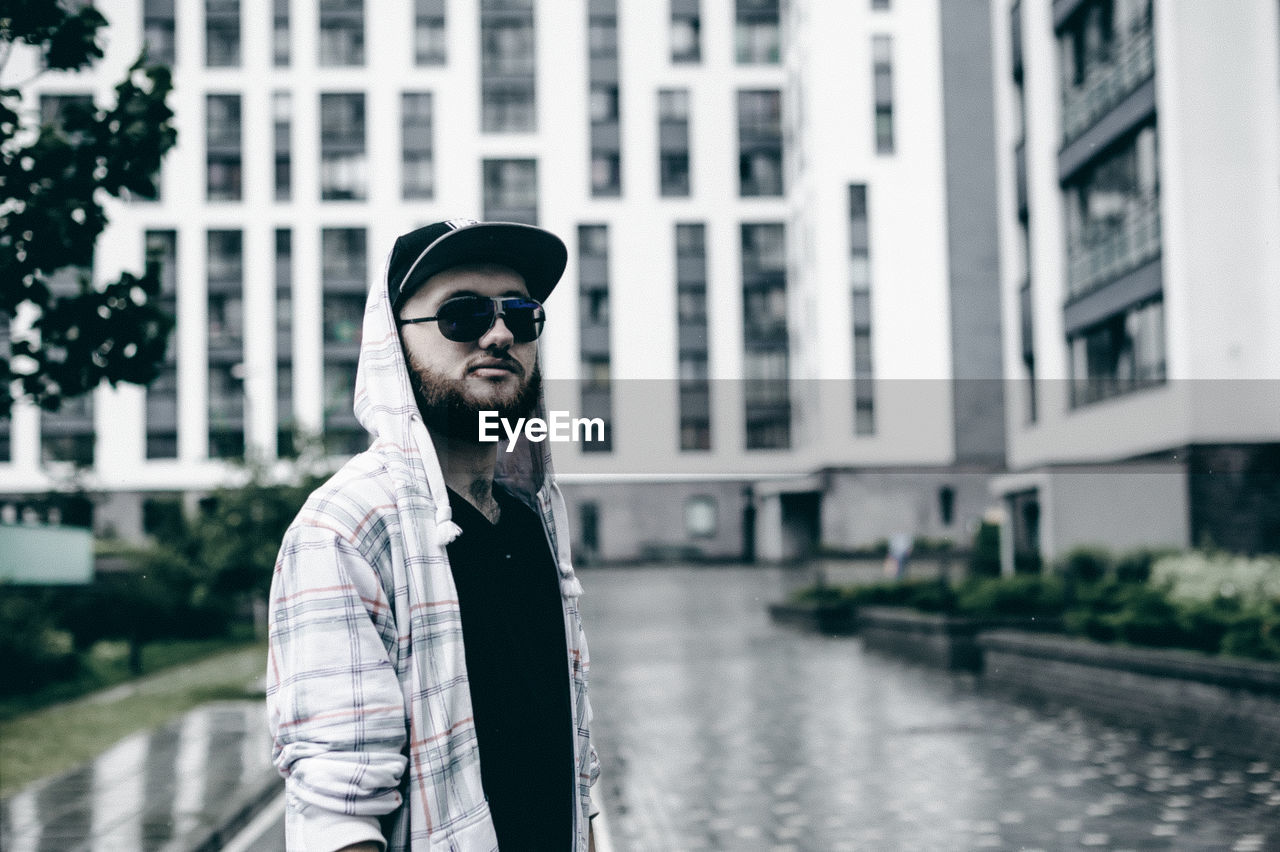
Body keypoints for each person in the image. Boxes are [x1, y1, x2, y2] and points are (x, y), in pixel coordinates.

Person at [267, 219, 598, 851]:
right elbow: (339, 812)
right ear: (395, 345)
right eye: (463, 314)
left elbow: (571, 756)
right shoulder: (345, 529)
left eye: (522, 315)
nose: (500, 333)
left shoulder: (533, 522)